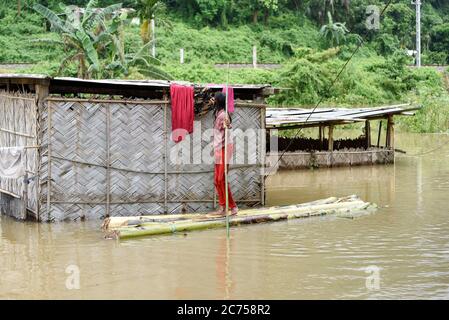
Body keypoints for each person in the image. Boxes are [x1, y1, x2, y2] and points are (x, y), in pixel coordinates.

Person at [212, 92, 238, 216]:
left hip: (225, 148)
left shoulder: (223, 115)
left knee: (222, 178)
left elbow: (228, 125)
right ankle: (223, 207)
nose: (212, 101)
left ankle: (232, 207)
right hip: (218, 148)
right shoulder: (218, 113)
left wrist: (227, 125)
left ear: (218, 101)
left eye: (214, 99)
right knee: (217, 180)